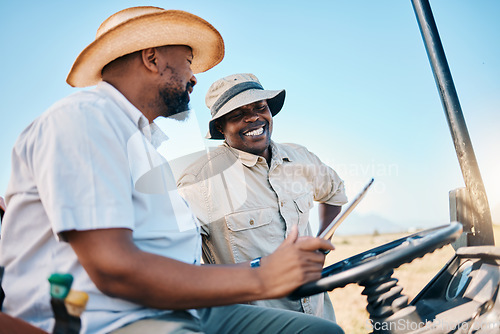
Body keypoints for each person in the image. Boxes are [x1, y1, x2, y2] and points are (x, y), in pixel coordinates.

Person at [0, 6, 344, 334]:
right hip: (113, 319)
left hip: (182, 306)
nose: (193, 77)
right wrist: (263, 278)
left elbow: (176, 263)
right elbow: (114, 270)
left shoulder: (143, 145)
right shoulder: (85, 120)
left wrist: (264, 267)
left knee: (323, 330)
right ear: (152, 58)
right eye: (188, 62)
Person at [177, 73, 348, 320]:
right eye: (237, 114)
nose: (254, 117)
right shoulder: (199, 181)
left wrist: (321, 245)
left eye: (260, 107)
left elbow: (334, 193)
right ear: (221, 127)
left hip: (320, 319)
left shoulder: (300, 157)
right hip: (256, 324)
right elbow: (182, 271)